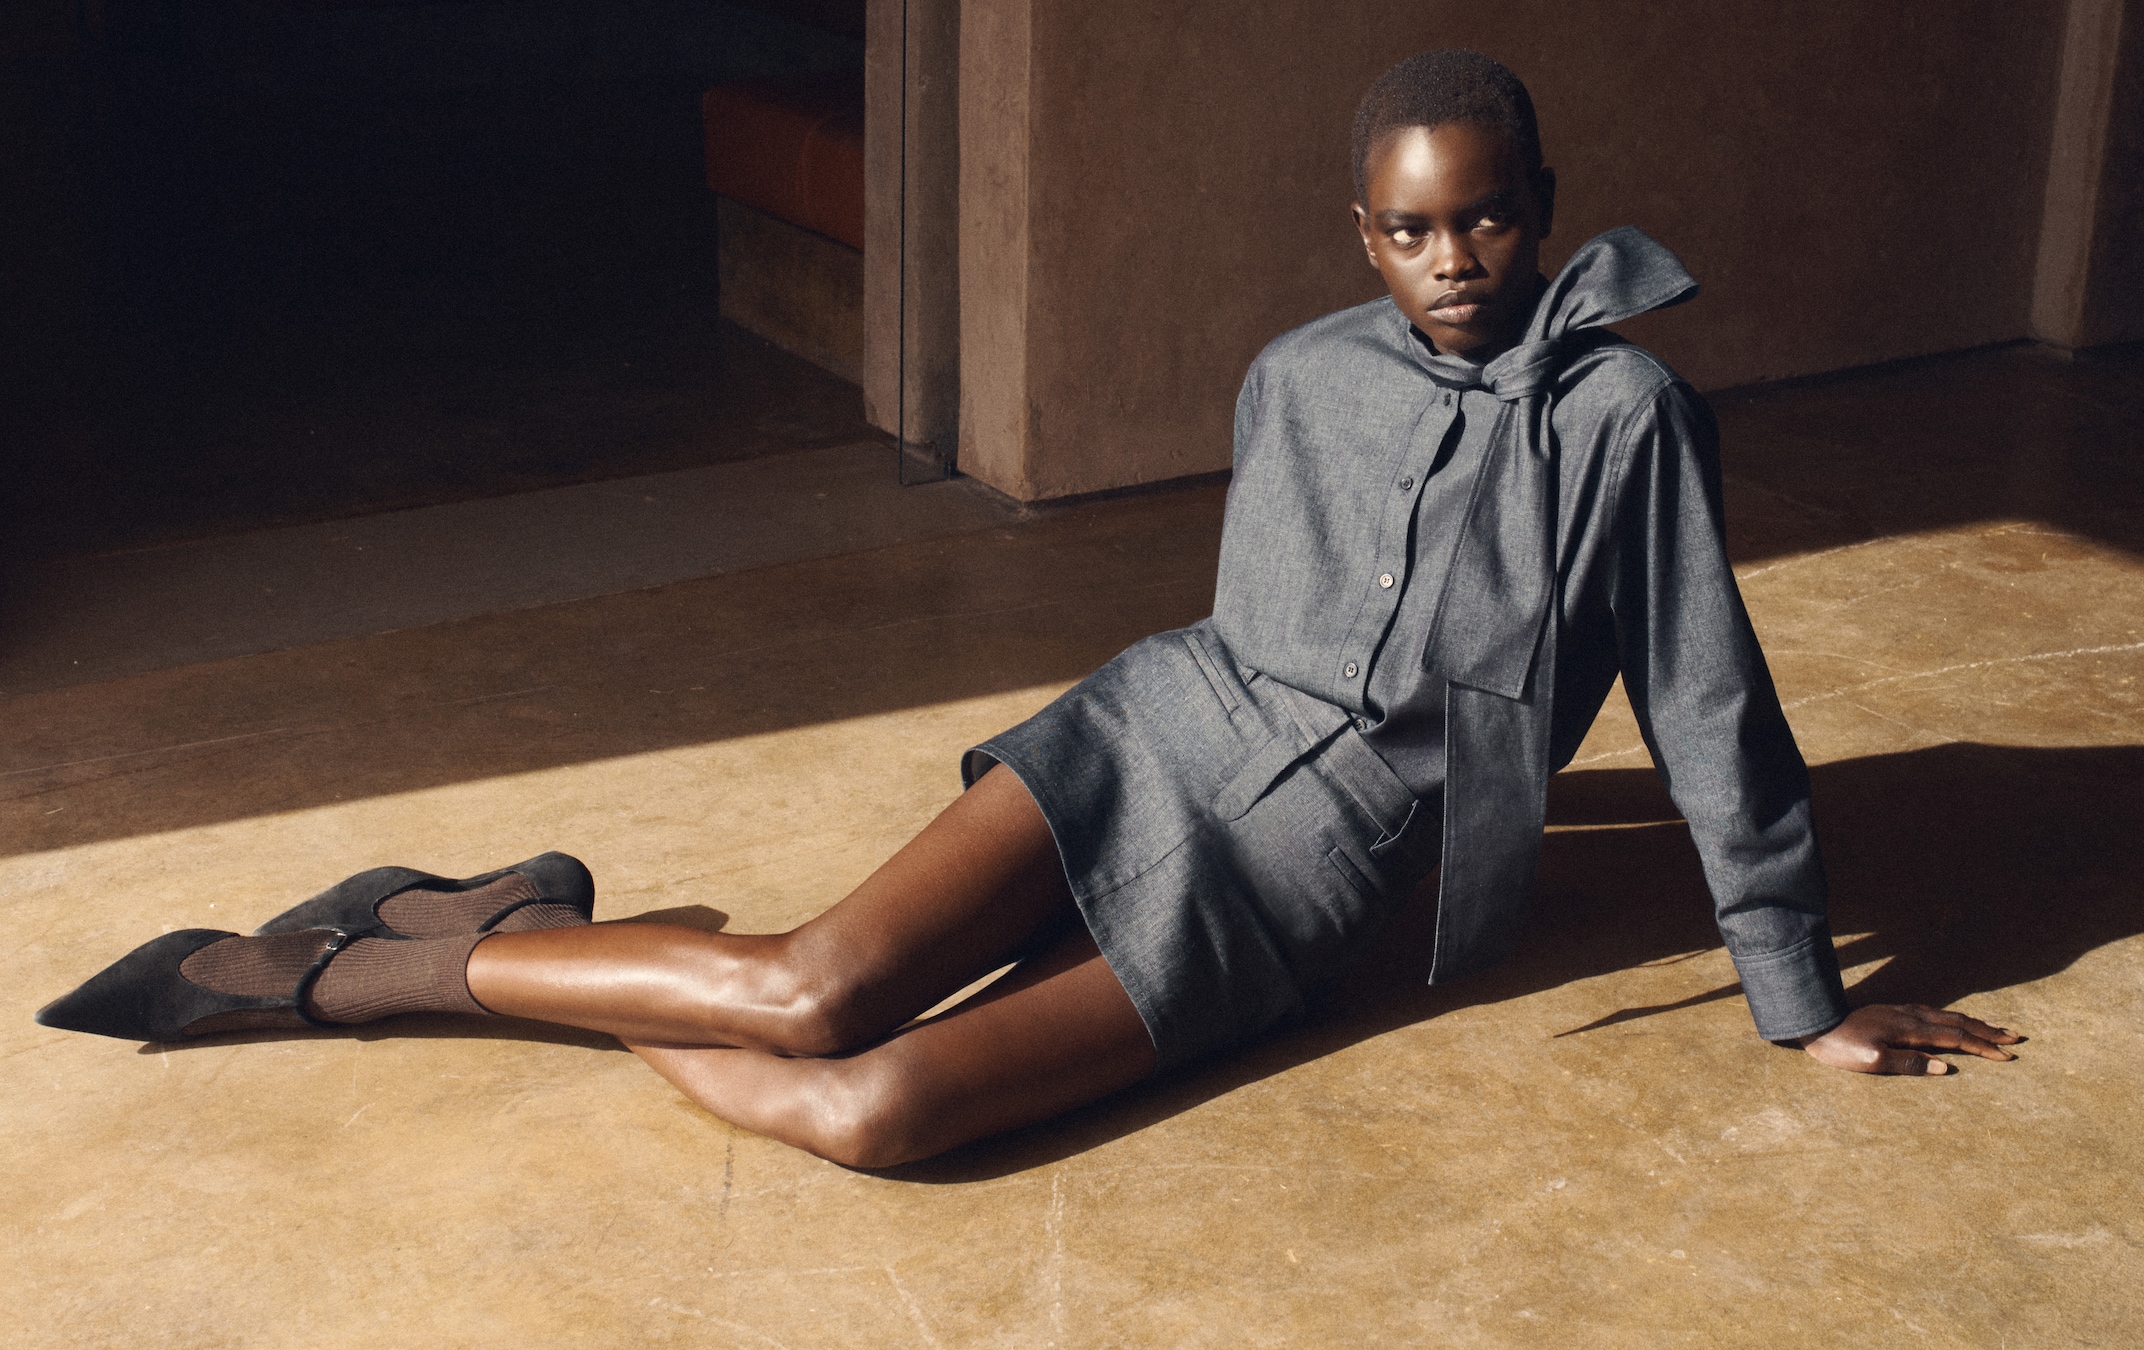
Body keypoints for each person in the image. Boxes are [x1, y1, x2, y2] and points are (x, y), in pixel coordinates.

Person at [37, 50, 2020, 1168]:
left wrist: (1802, 990)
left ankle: (513, 927)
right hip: (1150, 733)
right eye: (1409, 227)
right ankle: (356, 964)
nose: (1453, 260)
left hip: (1302, 887)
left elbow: (1706, 709)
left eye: (1488, 214)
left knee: (883, 1109)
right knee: (803, 986)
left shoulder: (1630, 417)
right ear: (1362, 233)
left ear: (1548, 198)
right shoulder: (1303, 375)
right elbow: (1265, 647)